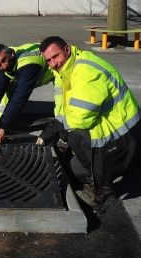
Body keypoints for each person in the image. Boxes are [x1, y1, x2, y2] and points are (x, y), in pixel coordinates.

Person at [38, 36, 141, 209]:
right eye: (48, 60)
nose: (53, 63)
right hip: (119, 128)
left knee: (78, 161)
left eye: (56, 56)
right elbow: (62, 108)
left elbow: (80, 119)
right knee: (71, 146)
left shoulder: (85, 71)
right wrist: (57, 127)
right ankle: (122, 165)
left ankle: (104, 188)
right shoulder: (64, 72)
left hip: (125, 135)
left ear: (67, 49)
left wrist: (57, 130)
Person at [0, 43, 55, 148]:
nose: (3, 67)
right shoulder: (2, 61)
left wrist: (4, 128)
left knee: (62, 100)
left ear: (11, 54)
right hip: (22, 67)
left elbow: (20, 97)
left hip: (52, 69)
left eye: (4, 61)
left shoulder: (28, 64)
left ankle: (62, 131)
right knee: (7, 89)